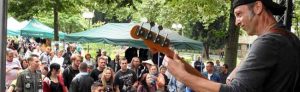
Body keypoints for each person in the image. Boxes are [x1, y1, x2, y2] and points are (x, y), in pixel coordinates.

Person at [163, 0, 300, 92]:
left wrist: (182, 76)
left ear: (258, 7)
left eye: (239, 14)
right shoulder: (290, 38)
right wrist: (183, 65)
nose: (237, 22)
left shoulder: (268, 42)